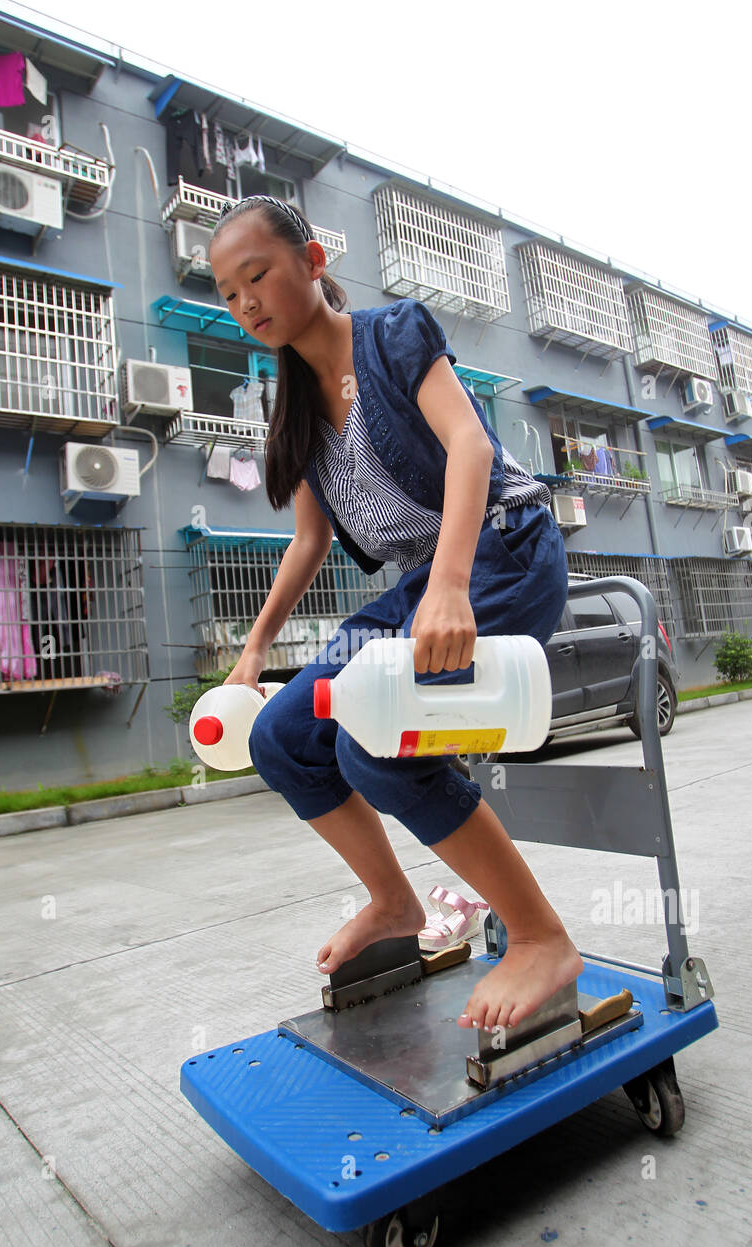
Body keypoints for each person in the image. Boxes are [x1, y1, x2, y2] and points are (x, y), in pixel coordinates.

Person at [209, 194, 583, 1035]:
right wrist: (253, 651)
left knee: (374, 738)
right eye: (229, 294)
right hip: (424, 587)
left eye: (258, 276)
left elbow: (472, 446)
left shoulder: (392, 335)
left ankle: (540, 938)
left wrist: (452, 583)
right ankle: (393, 903)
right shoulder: (296, 413)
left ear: (310, 261)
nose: (246, 304)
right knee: (284, 738)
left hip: (504, 549)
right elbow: (308, 542)